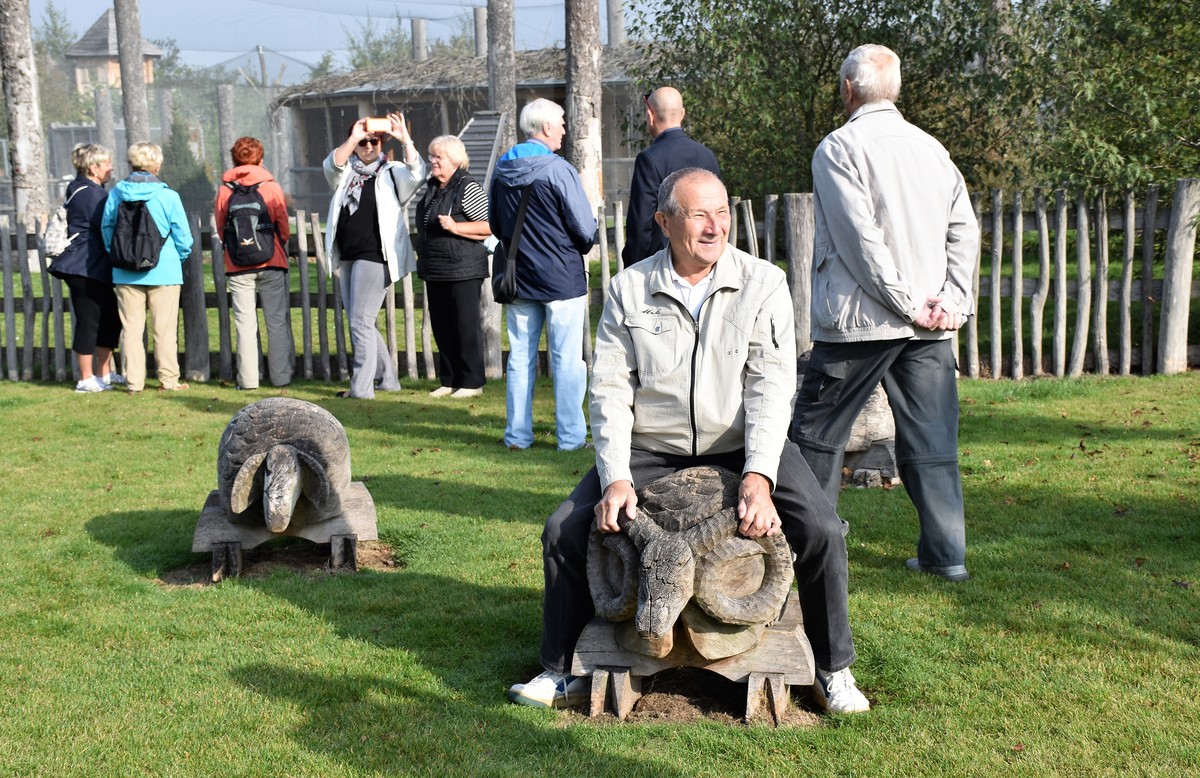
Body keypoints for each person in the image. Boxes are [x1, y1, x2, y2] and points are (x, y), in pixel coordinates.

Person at [508, 169, 870, 715]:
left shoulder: (763, 282)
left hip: (740, 442)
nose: (714, 226)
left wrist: (759, 474)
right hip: (652, 448)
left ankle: (833, 668)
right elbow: (609, 390)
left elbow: (771, 385)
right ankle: (559, 671)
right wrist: (616, 478)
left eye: (722, 212)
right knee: (563, 529)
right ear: (664, 221)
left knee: (820, 528)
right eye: (699, 214)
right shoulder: (630, 288)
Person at [789, 44, 980, 582]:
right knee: (933, 442)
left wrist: (909, 302)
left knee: (816, 436)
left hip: (859, 323)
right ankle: (946, 557)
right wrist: (950, 299)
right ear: (894, 90)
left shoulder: (838, 147)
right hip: (928, 325)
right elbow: (964, 230)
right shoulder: (933, 149)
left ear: (848, 89)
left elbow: (859, 240)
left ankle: (808, 553)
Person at [489, 98, 597, 451]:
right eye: (561, 123)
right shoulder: (558, 170)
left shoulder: (502, 168)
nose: (564, 129)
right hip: (560, 276)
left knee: (520, 358)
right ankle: (570, 438)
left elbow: (495, 224)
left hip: (518, 276)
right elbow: (584, 228)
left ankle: (517, 436)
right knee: (567, 360)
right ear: (546, 127)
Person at [323, 113, 427, 399]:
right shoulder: (347, 172)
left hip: (375, 255)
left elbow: (418, 174)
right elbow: (331, 165)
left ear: (382, 144)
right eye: (363, 142)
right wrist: (353, 138)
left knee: (360, 322)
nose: (369, 146)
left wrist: (405, 139)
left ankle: (361, 389)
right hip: (348, 255)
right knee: (362, 322)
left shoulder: (392, 172)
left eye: (374, 141)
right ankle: (389, 381)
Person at [101, 141, 194, 393]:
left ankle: (134, 382)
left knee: (131, 330)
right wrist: (177, 258)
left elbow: (107, 229)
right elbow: (183, 237)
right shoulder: (168, 196)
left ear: (131, 163)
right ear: (156, 165)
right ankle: (169, 380)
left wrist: (119, 255)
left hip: (125, 273)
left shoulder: (116, 194)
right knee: (164, 330)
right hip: (164, 271)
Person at [214, 136, 294, 391]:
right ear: (260, 159)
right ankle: (281, 378)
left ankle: (248, 381)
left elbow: (221, 227)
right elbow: (283, 226)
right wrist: (276, 244)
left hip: (238, 264)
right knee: (276, 322)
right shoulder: (271, 187)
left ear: (234, 160)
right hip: (272, 261)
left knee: (245, 324)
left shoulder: (225, 190)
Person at [415, 134, 491, 399]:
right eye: (431, 156)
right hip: (436, 269)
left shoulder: (468, 187)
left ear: (455, 160)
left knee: (465, 326)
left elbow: (489, 226)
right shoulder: (433, 188)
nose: (433, 161)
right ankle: (449, 380)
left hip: (463, 269)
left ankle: (472, 383)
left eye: (438, 157)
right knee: (442, 325)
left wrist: (456, 227)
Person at [49, 143, 124, 393]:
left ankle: (104, 374)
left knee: (109, 318)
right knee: (89, 320)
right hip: (83, 266)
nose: (111, 168)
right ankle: (86, 378)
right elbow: (107, 225)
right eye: (107, 163)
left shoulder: (89, 191)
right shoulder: (90, 195)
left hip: (93, 267)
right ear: (93, 168)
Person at [622, 86, 720, 266]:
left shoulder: (649, 159)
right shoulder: (707, 155)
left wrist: (634, 266)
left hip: (665, 263)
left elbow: (641, 222)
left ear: (650, 115)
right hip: (705, 258)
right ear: (682, 114)